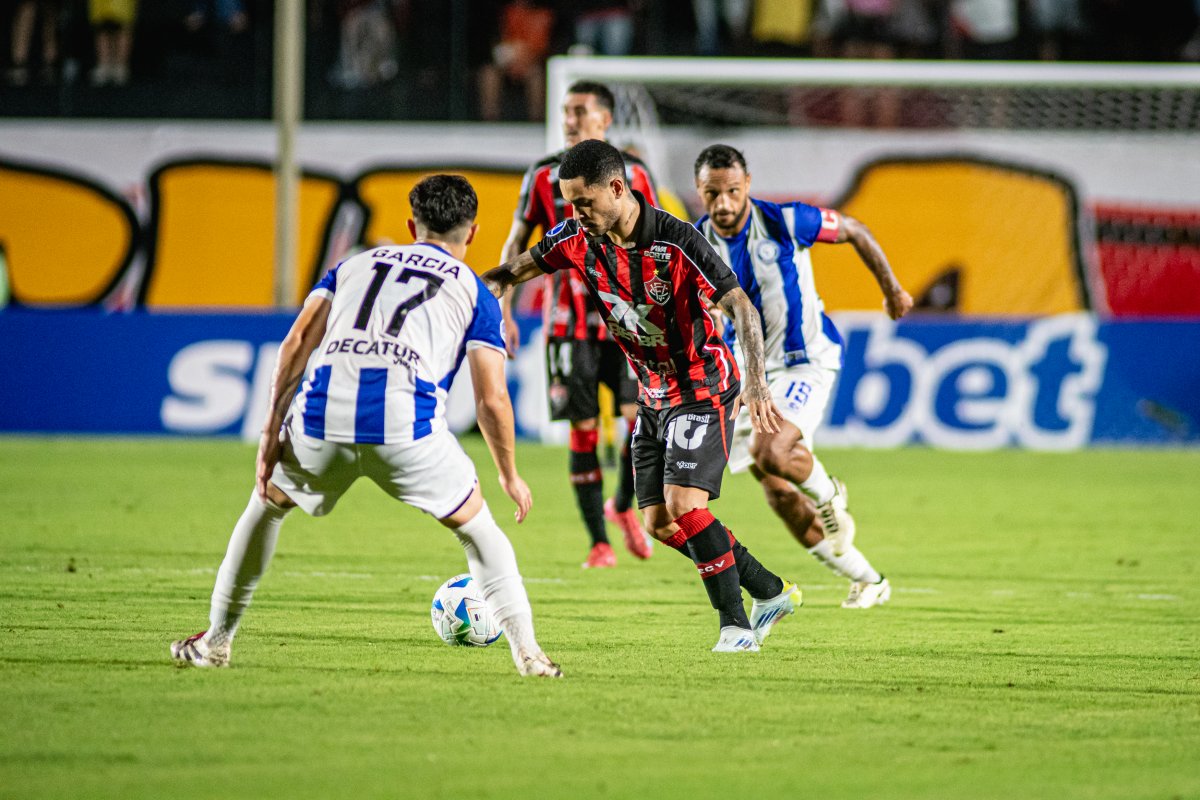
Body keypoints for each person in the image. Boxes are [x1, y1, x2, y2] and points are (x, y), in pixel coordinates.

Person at [170, 175, 561, 678]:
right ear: (473, 231)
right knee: (478, 530)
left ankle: (216, 643)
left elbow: (295, 346)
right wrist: (508, 472)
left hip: (322, 418)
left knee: (266, 508)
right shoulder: (473, 290)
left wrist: (271, 432)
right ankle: (529, 655)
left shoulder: (352, 266)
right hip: (407, 429)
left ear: (409, 225)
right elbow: (492, 397)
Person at [484, 139, 802, 652]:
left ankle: (736, 626)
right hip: (652, 393)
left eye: (584, 202)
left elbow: (741, 306)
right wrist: (467, 291)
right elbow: (513, 270)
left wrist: (756, 382)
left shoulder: (677, 242)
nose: (577, 214)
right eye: (570, 204)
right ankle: (770, 590)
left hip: (702, 387)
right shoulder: (576, 238)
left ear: (616, 187)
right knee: (656, 520)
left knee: (684, 503)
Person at [693, 144, 912, 609]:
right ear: (700, 192)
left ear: (747, 185)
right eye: (713, 194)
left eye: (732, 191)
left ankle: (830, 496)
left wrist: (891, 289)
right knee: (778, 494)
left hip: (805, 359)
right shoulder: (695, 244)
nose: (724, 204)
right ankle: (867, 577)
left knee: (770, 450)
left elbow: (855, 230)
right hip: (747, 371)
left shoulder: (787, 222)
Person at [499, 80, 660, 569]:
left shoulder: (633, 173)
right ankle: (599, 542)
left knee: (642, 422)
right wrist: (505, 308)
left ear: (604, 119)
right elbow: (517, 243)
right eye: (566, 111)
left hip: (628, 319)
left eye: (580, 110)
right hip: (568, 323)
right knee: (583, 429)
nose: (569, 118)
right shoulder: (543, 174)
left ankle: (621, 506)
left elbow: (657, 241)